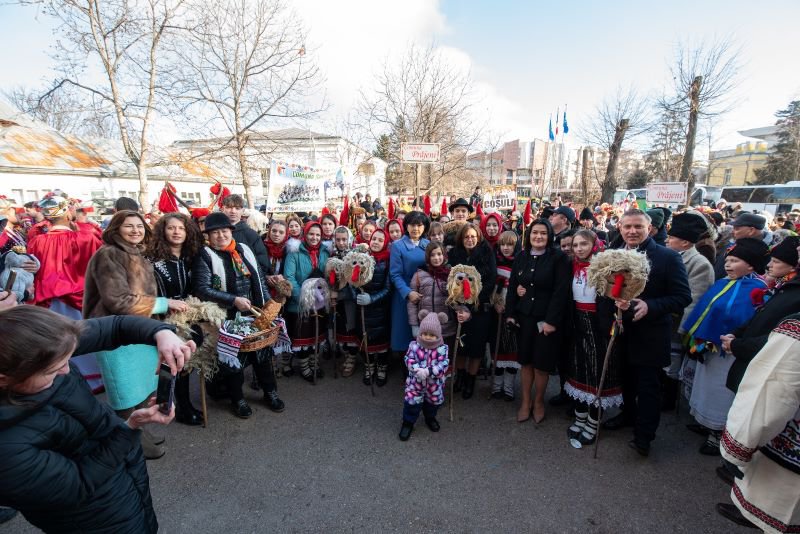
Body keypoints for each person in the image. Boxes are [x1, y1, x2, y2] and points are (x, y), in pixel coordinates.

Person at [0, 306, 194, 534]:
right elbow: (79, 485)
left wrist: (162, 333)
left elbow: (115, 327)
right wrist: (129, 428)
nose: (67, 368)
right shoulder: (6, 451)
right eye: (53, 370)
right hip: (92, 518)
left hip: (124, 480)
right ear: (4, 379)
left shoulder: (43, 347)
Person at [83, 210, 187, 459]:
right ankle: (128, 440)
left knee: (139, 387)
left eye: (139, 226)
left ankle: (137, 432)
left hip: (135, 329)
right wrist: (164, 304)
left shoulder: (134, 252)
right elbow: (118, 300)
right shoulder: (109, 254)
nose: (135, 230)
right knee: (123, 390)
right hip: (114, 332)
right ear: (116, 228)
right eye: (128, 226)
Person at [602, 209, 692, 457]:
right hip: (621, 331)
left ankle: (644, 436)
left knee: (648, 387)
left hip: (651, 334)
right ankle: (628, 416)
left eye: (638, 227)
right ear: (620, 228)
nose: (632, 231)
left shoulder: (668, 257)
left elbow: (682, 297)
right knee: (626, 381)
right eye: (627, 226)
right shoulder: (613, 255)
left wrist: (650, 305)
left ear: (649, 228)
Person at [192, 212, 284, 418]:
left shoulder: (243, 249)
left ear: (231, 231)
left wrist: (269, 305)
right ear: (208, 235)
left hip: (254, 313)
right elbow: (202, 289)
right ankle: (238, 399)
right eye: (215, 233)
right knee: (232, 361)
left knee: (263, 355)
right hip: (226, 316)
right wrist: (233, 300)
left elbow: (259, 277)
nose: (221, 236)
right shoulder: (205, 255)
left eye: (224, 231)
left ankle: (270, 392)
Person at [681, 238, 768, 455]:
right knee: (705, 387)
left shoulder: (758, 290)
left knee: (722, 392)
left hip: (729, 353)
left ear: (750, 265)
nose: (728, 265)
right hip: (709, 348)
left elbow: (751, 321)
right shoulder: (721, 283)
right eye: (727, 260)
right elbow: (703, 311)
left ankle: (717, 433)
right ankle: (705, 423)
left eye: (735, 261)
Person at [716, 313, 800, 532]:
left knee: (779, 516)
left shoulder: (796, 332)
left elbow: (772, 392)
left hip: (789, 458)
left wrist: (736, 448)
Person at [505, 219, 571, 423]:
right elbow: (513, 287)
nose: (538, 236)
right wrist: (510, 314)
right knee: (526, 362)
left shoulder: (558, 258)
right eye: (535, 233)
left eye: (543, 233)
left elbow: (561, 292)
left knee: (541, 365)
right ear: (529, 235)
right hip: (524, 317)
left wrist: (551, 321)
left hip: (546, 320)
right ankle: (526, 402)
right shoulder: (521, 256)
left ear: (549, 235)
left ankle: (539, 401)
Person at [146, 212, 205, 426]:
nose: (176, 232)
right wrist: (165, 304)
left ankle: (179, 402)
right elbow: (144, 294)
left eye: (181, 228)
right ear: (163, 231)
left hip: (190, 314)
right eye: (171, 228)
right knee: (176, 360)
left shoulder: (192, 257)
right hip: (164, 317)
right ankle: (177, 405)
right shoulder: (151, 260)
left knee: (189, 356)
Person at [564, 229, 621, 446]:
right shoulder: (571, 267)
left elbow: (617, 293)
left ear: (594, 245)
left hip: (598, 326)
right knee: (578, 370)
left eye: (584, 244)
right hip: (577, 323)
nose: (579, 249)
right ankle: (579, 417)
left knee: (597, 373)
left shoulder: (605, 267)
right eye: (576, 245)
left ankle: (593, 422)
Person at [722, 236, 800, 393]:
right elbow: (761, 315)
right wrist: (736, 334)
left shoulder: (793, 290)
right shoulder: (785, 286)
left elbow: (780, 339)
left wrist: (738, 345)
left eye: (776, 262)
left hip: (767, 373)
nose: (769, 265)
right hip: (752, 361)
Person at [665, 211, 715, 410]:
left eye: (672, 238)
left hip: (677, 323)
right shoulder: (672, 255)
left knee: (672, 362)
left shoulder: (699, 263)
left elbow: (695, 300)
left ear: (685, 242)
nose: (667, 241)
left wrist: (683, 330)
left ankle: (668, 399)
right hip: (665, 318)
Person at [448, 223, 496, 399]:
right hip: (459, 307)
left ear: (478, 237)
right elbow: (451, 281)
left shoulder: (487, 253)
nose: (470, 240)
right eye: (467, 237)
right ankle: (460, 376)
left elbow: (490, 281)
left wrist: (472, 303)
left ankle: (470, 380)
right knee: (460, 345)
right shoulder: (454, 254)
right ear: (462, 238)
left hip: (479, 308)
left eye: (473, 237)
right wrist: (460, 304)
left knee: (476, 348)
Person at [283, 221, 330, 381]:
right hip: (299, 305)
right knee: (302, 338)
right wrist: (304, 297)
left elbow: (328, 274)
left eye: (318, 234)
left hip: (320, 302)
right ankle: (304, 367)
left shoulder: (325, 252)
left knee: (316, 335)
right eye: (311, 234)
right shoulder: (294, 252)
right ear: (305, 234)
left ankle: (314, 363)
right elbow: (289, 277)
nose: (314, 237)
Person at [348, 229, 392, 386]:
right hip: (362, 309)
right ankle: (369, 366)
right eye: (374, 239)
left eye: (381, 240)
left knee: (381, 344)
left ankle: (382, 368)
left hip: (379, 309)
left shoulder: (387, 262)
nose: (376, 242)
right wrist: (356, 297)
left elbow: (388, 288)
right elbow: (351, 280)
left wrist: (371, 299)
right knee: (366, 341)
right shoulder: (361, 258)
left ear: (385, 243)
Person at [398, 311, 450, 441]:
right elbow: (408, 359)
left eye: (432, 335)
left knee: (432, 403)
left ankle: (430, 418)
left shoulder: (442, 349)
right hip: (415, 384)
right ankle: (408, 423)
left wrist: (429, 371)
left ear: (438, 335)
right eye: (425, 334)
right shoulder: (414, 346)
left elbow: (444, 364)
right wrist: (417, 370)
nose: (427, 337)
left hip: (434, 385)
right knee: (411, 403)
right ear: (420, 332)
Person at [407, 242, 455, 366]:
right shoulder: (419, 275)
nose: (436, 258)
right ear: (428, 257)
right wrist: (414, 325)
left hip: (446, 326)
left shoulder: (451, 274)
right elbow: (412, 303)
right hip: (426, 330)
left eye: (439, 254)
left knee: (443, 362)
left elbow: (457, 299)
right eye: (432, 255)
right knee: (426, 361)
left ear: (444, 255)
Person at [389, 212, 431, 356]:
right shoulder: (398, 245)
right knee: (405, 333)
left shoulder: (428, 244)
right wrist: (408, 293)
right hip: (405, 293)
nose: (416, 229)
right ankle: (407, 368)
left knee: (426, 332)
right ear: (406, 226)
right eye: (412, 225)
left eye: (420, 225)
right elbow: (395, 274)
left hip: (426, 292)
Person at [489, 230, 520, 401]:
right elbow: (489, 285)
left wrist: (510, 308)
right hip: (497, 311)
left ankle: (508, 387)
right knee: (497, 348)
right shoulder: (495, 262)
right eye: (503, 245)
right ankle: (496, 385)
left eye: (510, 245)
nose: (506, 248)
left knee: (513, 349)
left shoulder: (520, 263)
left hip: (513, 312)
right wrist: (495, 303)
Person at [220, 194, 271, 277]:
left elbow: (262, 264)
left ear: (242, 210)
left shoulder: (251, 235)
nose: (233, 211)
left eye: (237, 208)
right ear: (223, 209)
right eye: (229, 207)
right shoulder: (216, 234)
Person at [713, 213, 768, 280]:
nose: (732, 232)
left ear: (751, 230)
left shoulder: (769, 253)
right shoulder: (733, 244)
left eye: (736, 229)